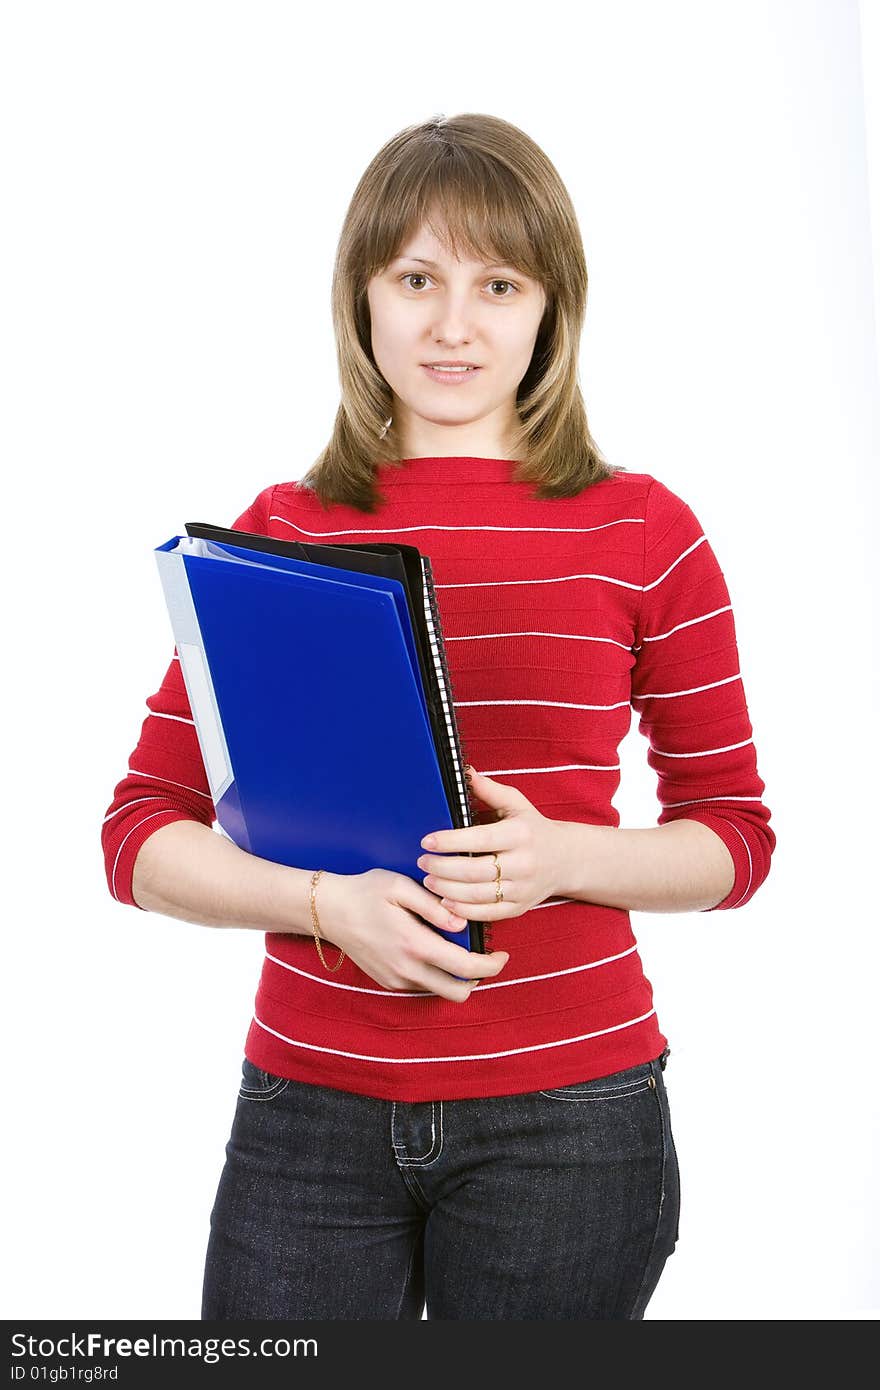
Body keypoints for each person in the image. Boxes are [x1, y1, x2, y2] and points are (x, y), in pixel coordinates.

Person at [101, 112, 775, 1321]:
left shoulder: (644, 531)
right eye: (416, 278)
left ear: (549, 307)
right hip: (308, 1112)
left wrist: (561, 860)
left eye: (496, 282)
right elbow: (140, 834)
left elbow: (734, 838)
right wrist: (321, 905)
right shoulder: (281, 533)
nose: (453, 324)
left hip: (570, 1122)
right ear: (362, 298)